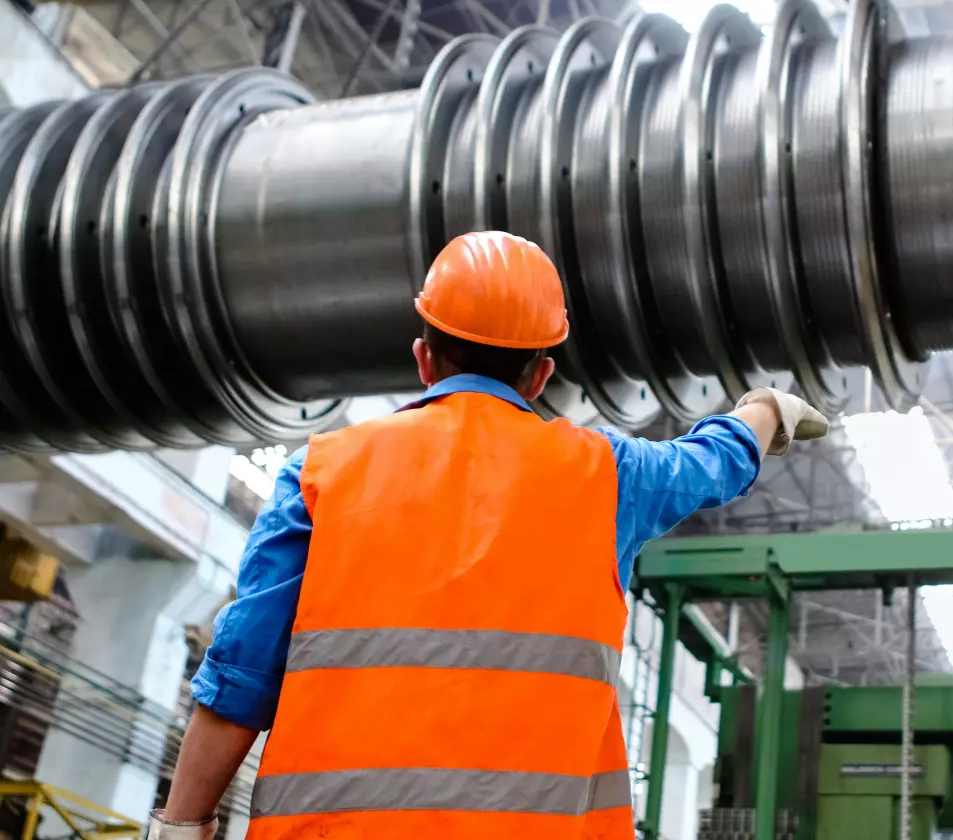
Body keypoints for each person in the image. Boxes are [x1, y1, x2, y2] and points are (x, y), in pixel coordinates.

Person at [150, 231, 828, 840]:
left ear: (423, 358)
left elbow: (239, 678)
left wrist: (183, 828)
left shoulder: (322, 471)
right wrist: (764, 409)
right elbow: (715, 463)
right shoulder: (609, 476)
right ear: (541, 374)